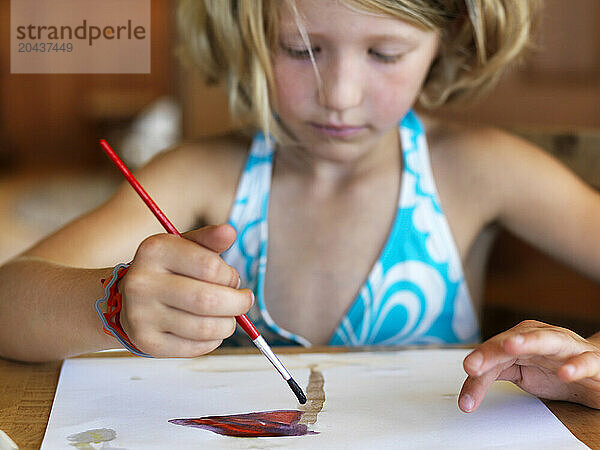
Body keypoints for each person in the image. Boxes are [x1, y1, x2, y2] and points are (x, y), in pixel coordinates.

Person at [0, 0, 598, 414]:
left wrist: (588, 369)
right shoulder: (202, 173)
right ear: (250, 30)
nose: (339, 95)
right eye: (301, 48)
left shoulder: (479, 169)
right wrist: (112, 305)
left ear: (449, 38)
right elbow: (8, 299)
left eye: (385, 54)